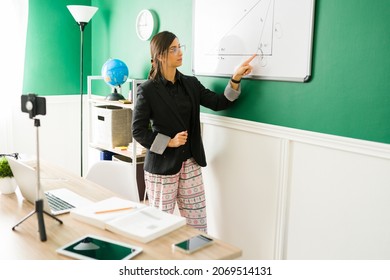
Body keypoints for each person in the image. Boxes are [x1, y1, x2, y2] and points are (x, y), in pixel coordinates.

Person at [132, 31, 255, 232]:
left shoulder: (190, 83)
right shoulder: (147, 90)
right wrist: (169, 142)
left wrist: (236, 78)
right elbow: (138, 131)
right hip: (161, 167)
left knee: (198, 227)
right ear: (160, 55)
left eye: (180, 47)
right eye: (174, 49)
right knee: (160, 228)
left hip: (191, 163)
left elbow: (219, 102)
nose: (180, 52)